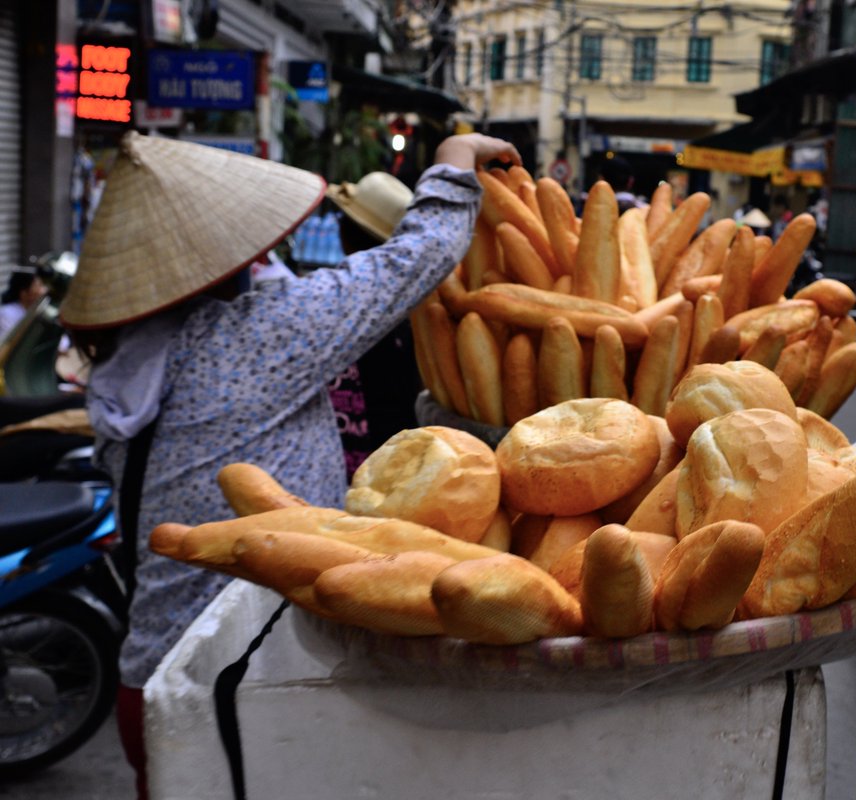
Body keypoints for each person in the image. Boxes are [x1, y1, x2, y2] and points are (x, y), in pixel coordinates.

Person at [59, 130, 519, 797]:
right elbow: (419, 257)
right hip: (243, 693)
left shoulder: (123, 368)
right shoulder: (259, 335)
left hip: (151, 684)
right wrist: (452, 158)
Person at [323, 171, 422, 479]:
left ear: (344, 235)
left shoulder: (324, 302)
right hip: (394, 473)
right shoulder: (418, 312)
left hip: (336, 471)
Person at [0, 268, 48, 341]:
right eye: (38, 286)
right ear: (24, 293)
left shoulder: (36, 311)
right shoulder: (6, 314)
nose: (44, 291)